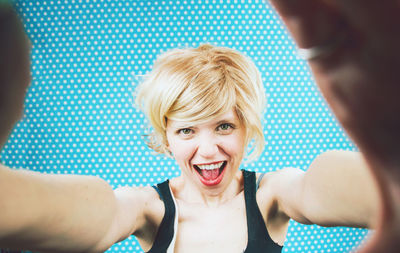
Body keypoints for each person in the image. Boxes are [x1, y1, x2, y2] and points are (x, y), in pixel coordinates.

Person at [0, 1, 398, 253]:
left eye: (224, 126)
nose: (207, 151)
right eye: (187, 131)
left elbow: (319, 186)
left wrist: (390, 174)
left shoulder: (273, 196)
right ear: (167, 137)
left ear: (247, 129)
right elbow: (97, 215)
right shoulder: (146, 209)